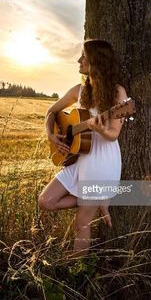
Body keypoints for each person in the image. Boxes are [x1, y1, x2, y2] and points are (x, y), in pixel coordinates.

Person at [38, 39, 128, 259]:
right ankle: (98, 200)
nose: (79, 60)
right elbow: (51, 112)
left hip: (102, 162)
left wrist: (99, 129)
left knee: (81, 222)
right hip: (80, 158)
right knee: (46, 201)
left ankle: (76, 272)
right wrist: (51, 134)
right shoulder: (79, 90)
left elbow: (113, 134)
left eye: (83, 57)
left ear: (96, 61)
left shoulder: (118, 93)